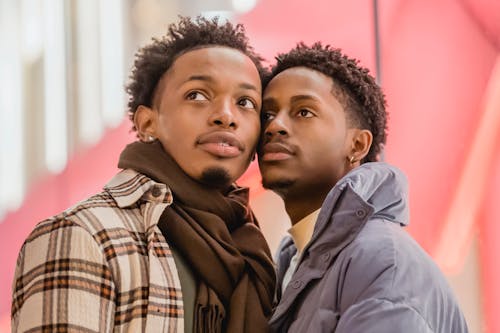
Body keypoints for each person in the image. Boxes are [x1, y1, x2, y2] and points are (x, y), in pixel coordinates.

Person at [11, 16, 275, 333]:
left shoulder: (254, 251)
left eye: (245, 102)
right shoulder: (84, 234)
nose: (226, 116)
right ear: (147, 123)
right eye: (197, 95)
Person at [258, 42, 468, 332]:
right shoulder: (286, 267)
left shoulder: (382, 261)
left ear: (357, 145)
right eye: (267, 114)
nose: (274, 126)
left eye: (303, 112)